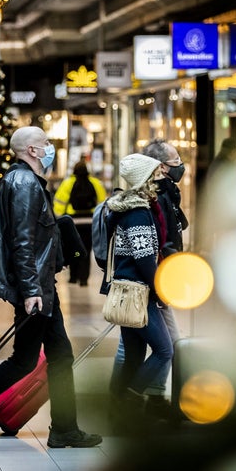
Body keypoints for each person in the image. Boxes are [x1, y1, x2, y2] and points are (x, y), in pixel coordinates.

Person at [0, 125, 103, 450]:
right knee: (24, 360)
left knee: (59, 355)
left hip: (43, 285)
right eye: (45, 143)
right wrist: (32, 291)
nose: (49, 148)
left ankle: (64, 429)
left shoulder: (23, 181)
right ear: (31, 150)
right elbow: (23, 242)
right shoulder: (24, 183)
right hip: (36, 288)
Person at [103, 153, 174, 428]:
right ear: (144, 180)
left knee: (133, 355)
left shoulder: (126, 210)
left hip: (127, 290)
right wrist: (160, 291)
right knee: (164, 351)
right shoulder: (138, 214)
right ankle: (128, 403)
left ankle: (115, 409)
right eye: (155, 174)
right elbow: (144, 259)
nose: (160, 179)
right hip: (138, 294)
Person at [53, 160, 106, 286]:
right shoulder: (96, 183)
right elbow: (102, 202)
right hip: (89, 222)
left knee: (74, 248)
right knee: (86, 250)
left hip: (73, 222)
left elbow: (59, 204)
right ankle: (84, 279)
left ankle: (73, 276)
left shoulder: (67, 183)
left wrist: (59, 219)